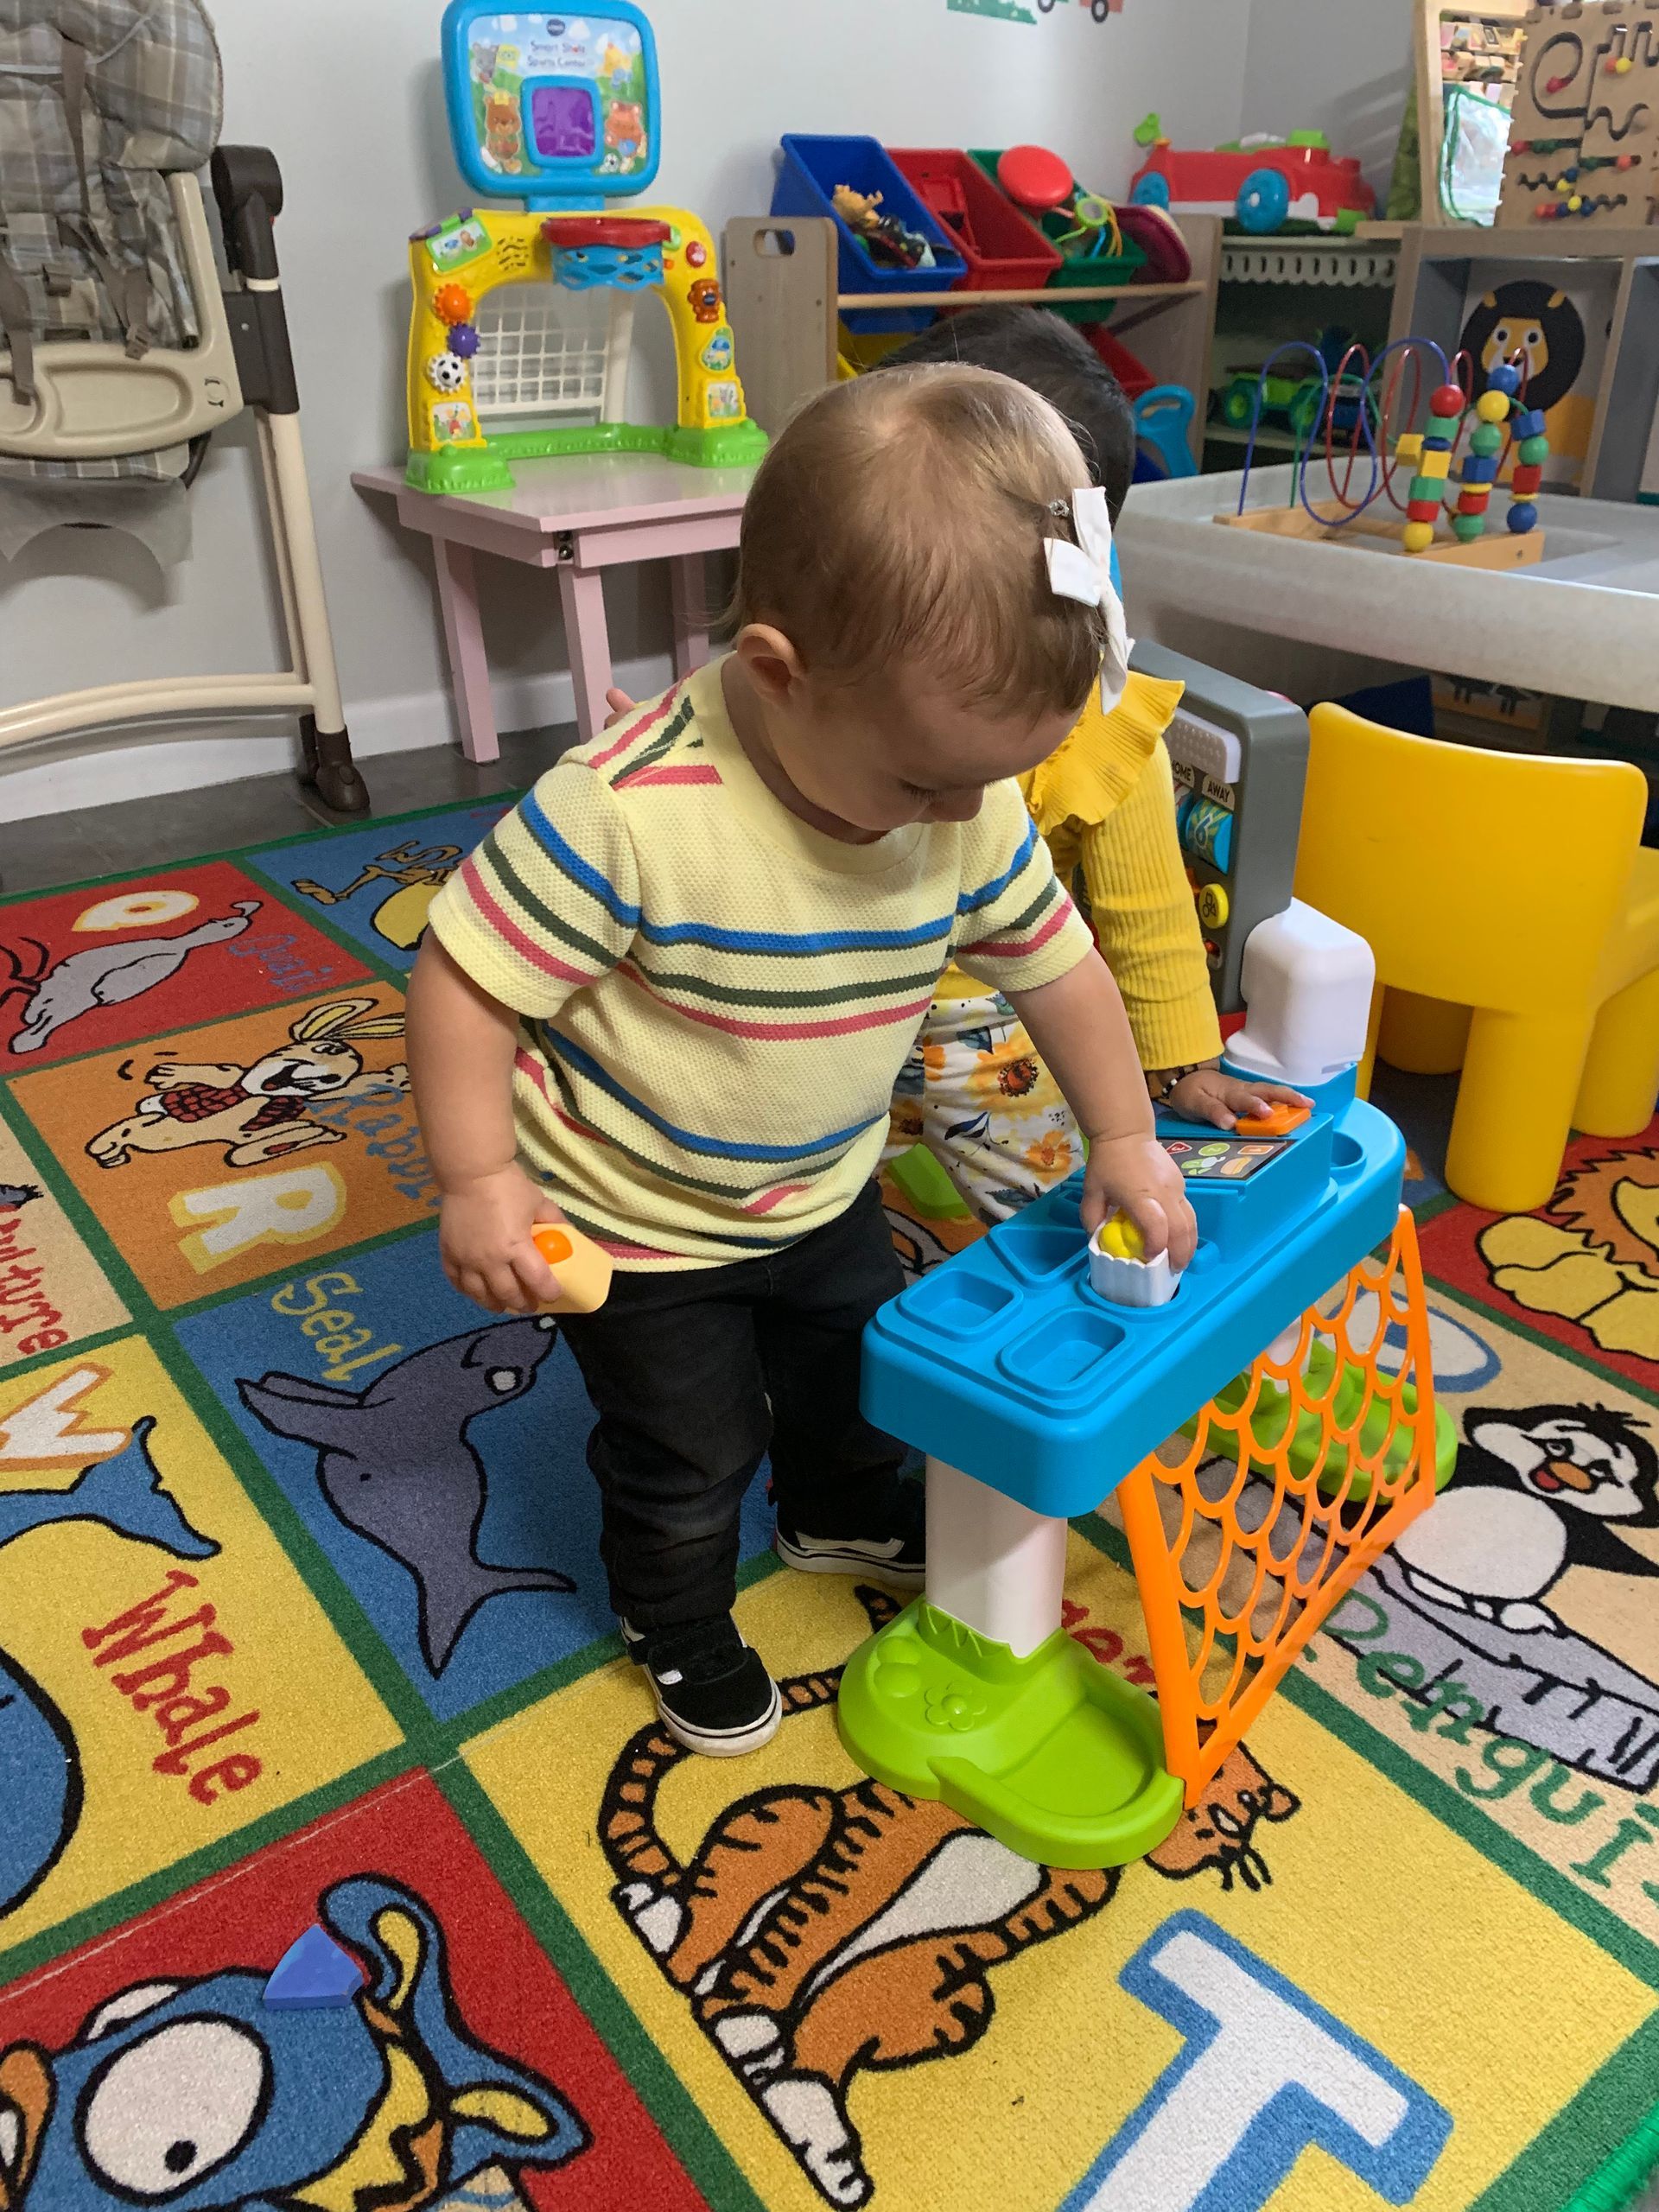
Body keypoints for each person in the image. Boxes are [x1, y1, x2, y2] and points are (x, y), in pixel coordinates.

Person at [407, 363, 1197, 1758]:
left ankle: (834, 1507)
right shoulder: (628, 813)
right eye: (923, 782)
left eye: (991, 781)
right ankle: (679, 1618)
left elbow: (1059, 963)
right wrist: (479, 1176)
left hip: (824, 1186)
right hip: (637, 1222)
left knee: (857, 1378)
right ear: (779, 673)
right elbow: (467, 975)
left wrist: (1124, 1138)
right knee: (688, 1452)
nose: (960, 817)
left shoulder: (968, 797)